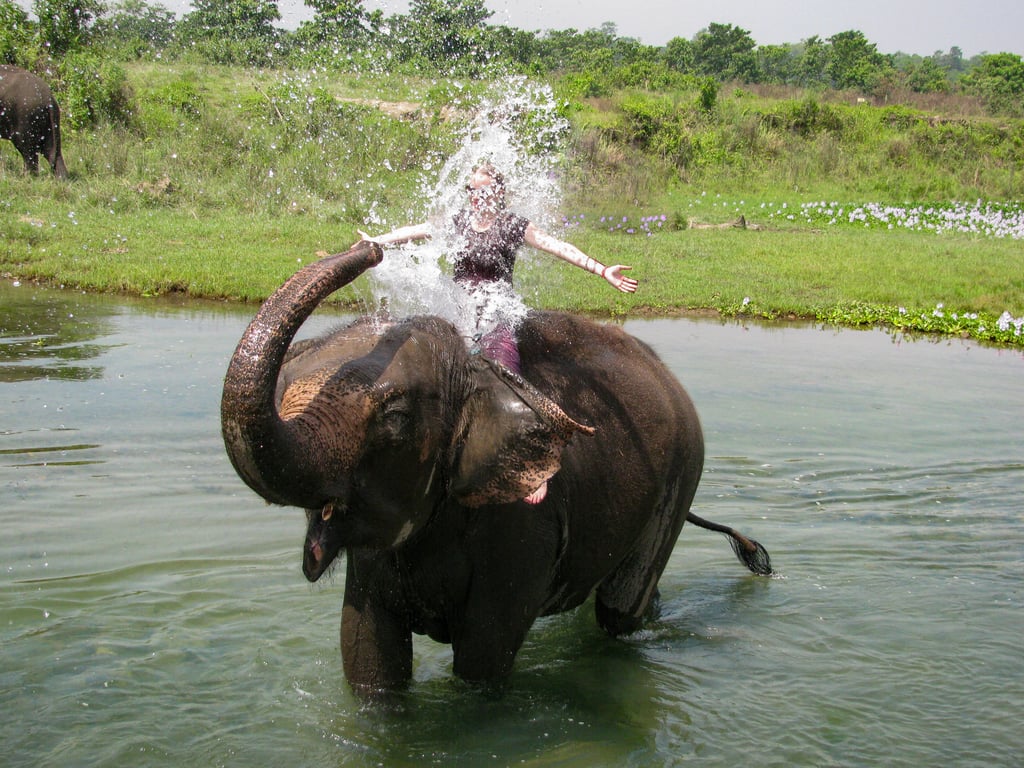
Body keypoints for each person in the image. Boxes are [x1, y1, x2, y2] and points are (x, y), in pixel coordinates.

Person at [357, 162, 638, 504]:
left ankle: (530, 467)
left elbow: (558, 246)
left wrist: (602, 269)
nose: (477, 197)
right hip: (459, 312)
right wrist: (376, 241)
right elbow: (416, 231)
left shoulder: (513, 225)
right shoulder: (459, 221)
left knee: (507, 378)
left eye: (484, 190)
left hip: (497, 312)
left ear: (499, 193)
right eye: (472, 191)